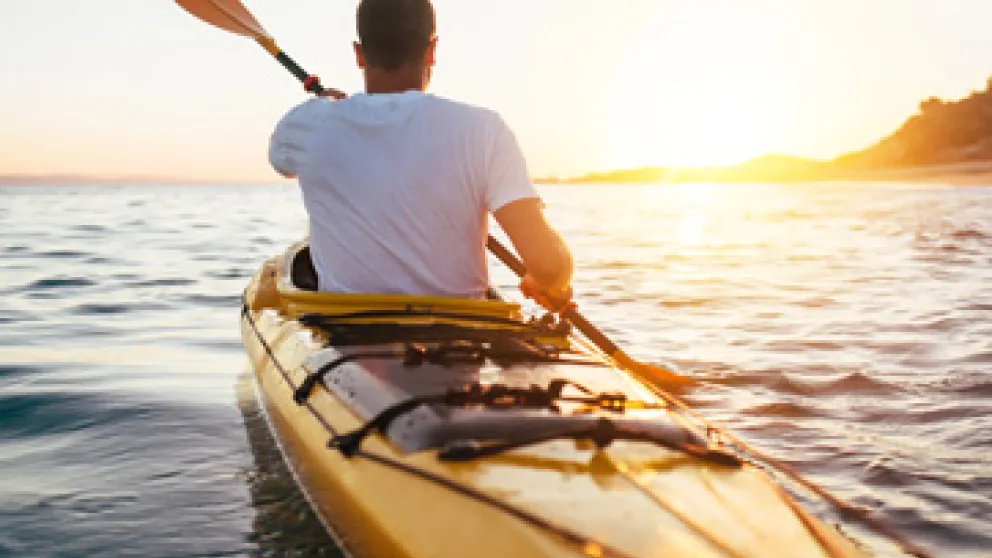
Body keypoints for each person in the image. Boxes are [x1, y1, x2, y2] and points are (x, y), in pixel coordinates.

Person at [269, 0, 572, 311]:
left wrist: (325, 106)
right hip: (464, 339)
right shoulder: (485, 130)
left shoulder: (306, 124)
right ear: (431, 51)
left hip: (344, 335)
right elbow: (548, 266)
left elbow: (278, 157)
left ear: (359, 55)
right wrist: (551, 281)